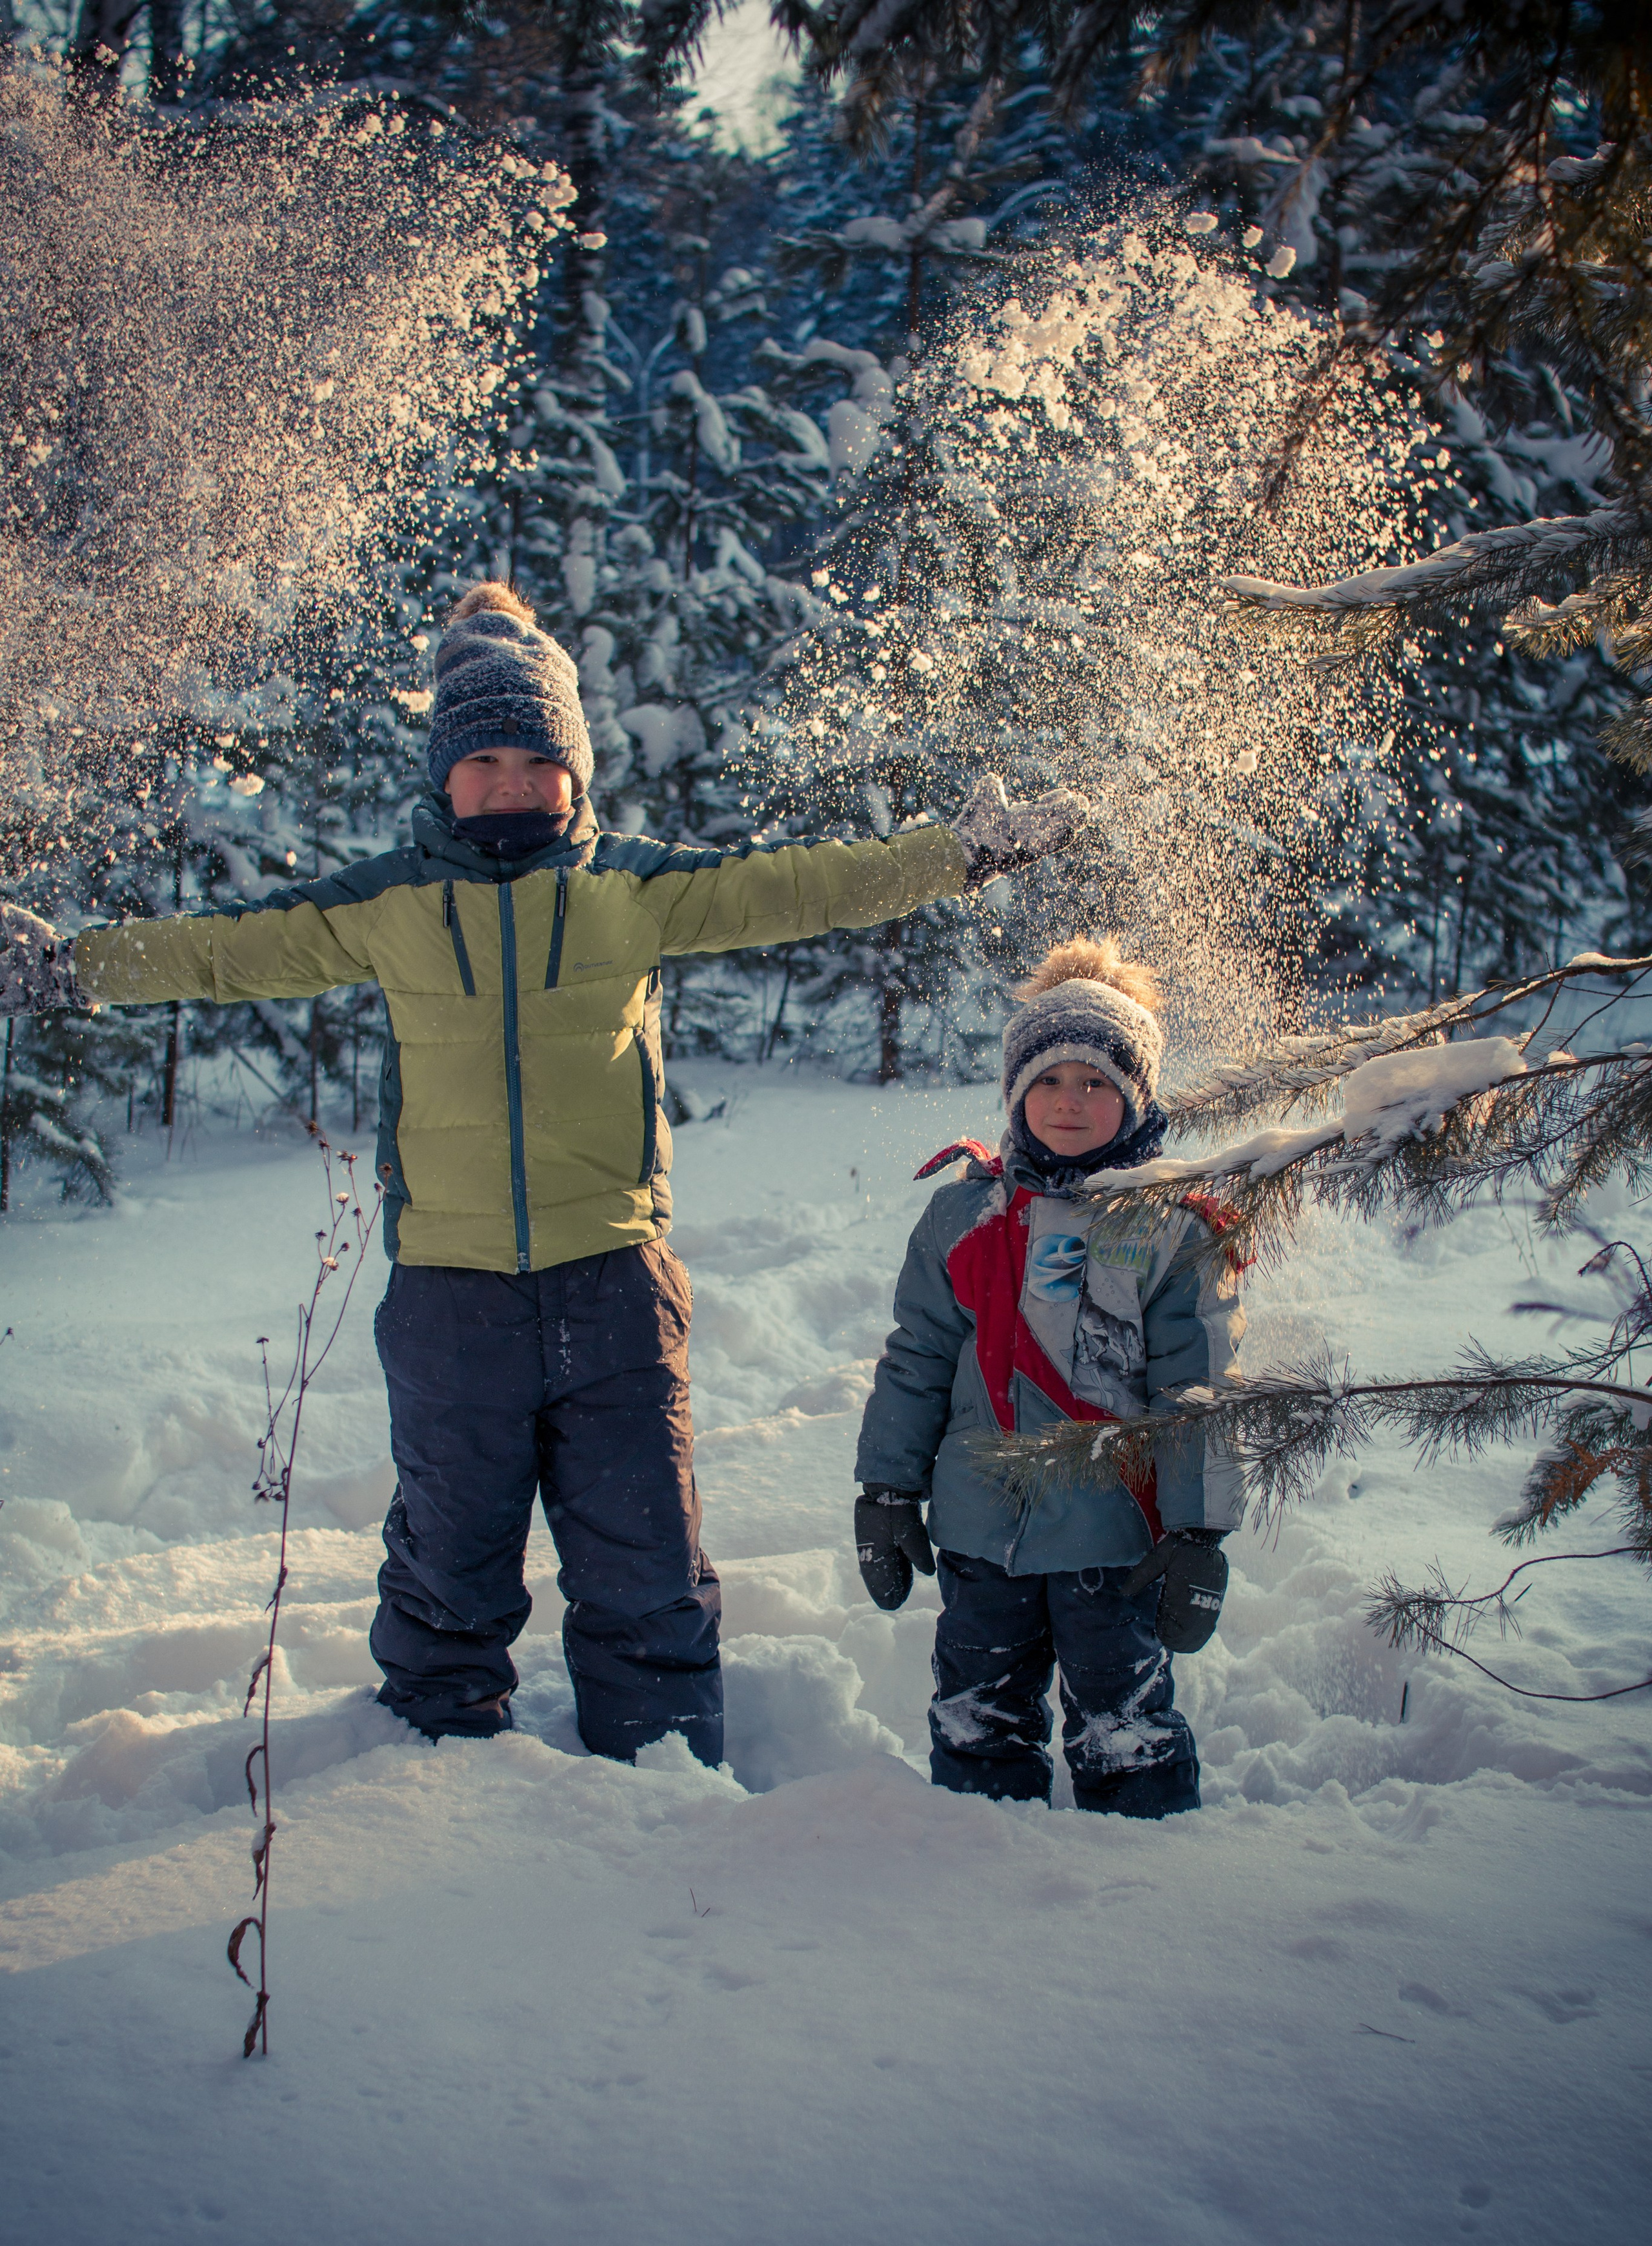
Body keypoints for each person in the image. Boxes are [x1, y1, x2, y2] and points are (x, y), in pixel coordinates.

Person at [0, 581, 1087, 1760]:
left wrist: (963, 853)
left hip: (613, 1284)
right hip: (451, 1299)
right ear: (443, 774)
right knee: (449, 1558)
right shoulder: (388, 905)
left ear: (576, 771)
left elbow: (807, 884)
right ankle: (435, 1765)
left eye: (539, 758)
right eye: (487, 759)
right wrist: (73, 969)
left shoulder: (631, 888)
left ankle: (663, 1768)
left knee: (645, 1556)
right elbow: (223, 953)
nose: (514, 782)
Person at [852, 936, 1245, 1817]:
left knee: (1126, 1722)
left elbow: (1200, 1393)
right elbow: (916, 1356)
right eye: (1049, 1081)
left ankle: (1140, 1870)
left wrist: (1199, 1533)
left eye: (1097, 1082)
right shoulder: (964, 1216)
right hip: (980, 1533)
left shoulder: (1171, 1230)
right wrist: (884, 1488)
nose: (1070, 1103)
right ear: (1015, 1093)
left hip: (1115, 1542)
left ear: (1138, 1098)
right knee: (977, 1712)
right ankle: (978, 1859)